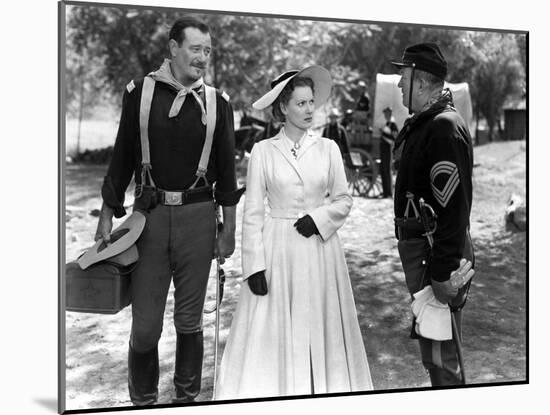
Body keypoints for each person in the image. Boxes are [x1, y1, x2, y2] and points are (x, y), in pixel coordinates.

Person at [94, 16, 241, 405]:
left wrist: (229, 231)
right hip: (149, 220)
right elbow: (123, 154)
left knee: (190, 321)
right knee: (145, 326)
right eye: (196, 49)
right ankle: (142, 401)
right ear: (173, 48)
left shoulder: (218, 103)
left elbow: (227, 170)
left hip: (198, 218)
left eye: (207, 51)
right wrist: (108, 210)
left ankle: (185, 400)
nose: (202, 58)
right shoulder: (139, 92)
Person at [215, 66, 373, 399]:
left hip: (319, 249)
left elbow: (344, 201)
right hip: (277, 251)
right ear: (283, 108)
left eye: (311, 103)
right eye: (300, 104)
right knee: (272, 327)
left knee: (318, 320)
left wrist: (319, 218)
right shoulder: (263, 151)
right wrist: (254, 266)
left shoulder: (328, 148)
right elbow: (254, 212)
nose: (308, 110)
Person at [391, 42, 475, 386]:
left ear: (422, 81)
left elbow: (455, 210)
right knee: (434, 352)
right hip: (423, 254)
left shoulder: (443, 126)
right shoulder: (428, 122)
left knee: (444, 358)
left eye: (404, 77)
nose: (398, 85)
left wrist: (442, 273)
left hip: (434, 256)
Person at [379, 106, 399, 198]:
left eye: (387, 114)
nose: (385, 115)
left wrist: (383, 136)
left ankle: (389, 193)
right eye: (385, 114)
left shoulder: (393, 125)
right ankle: (385, 191)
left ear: (390, 114)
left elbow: (394, 139)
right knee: (383, 170)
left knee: (387, 170)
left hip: (388, 150)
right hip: (384, 150)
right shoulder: (387, 124)